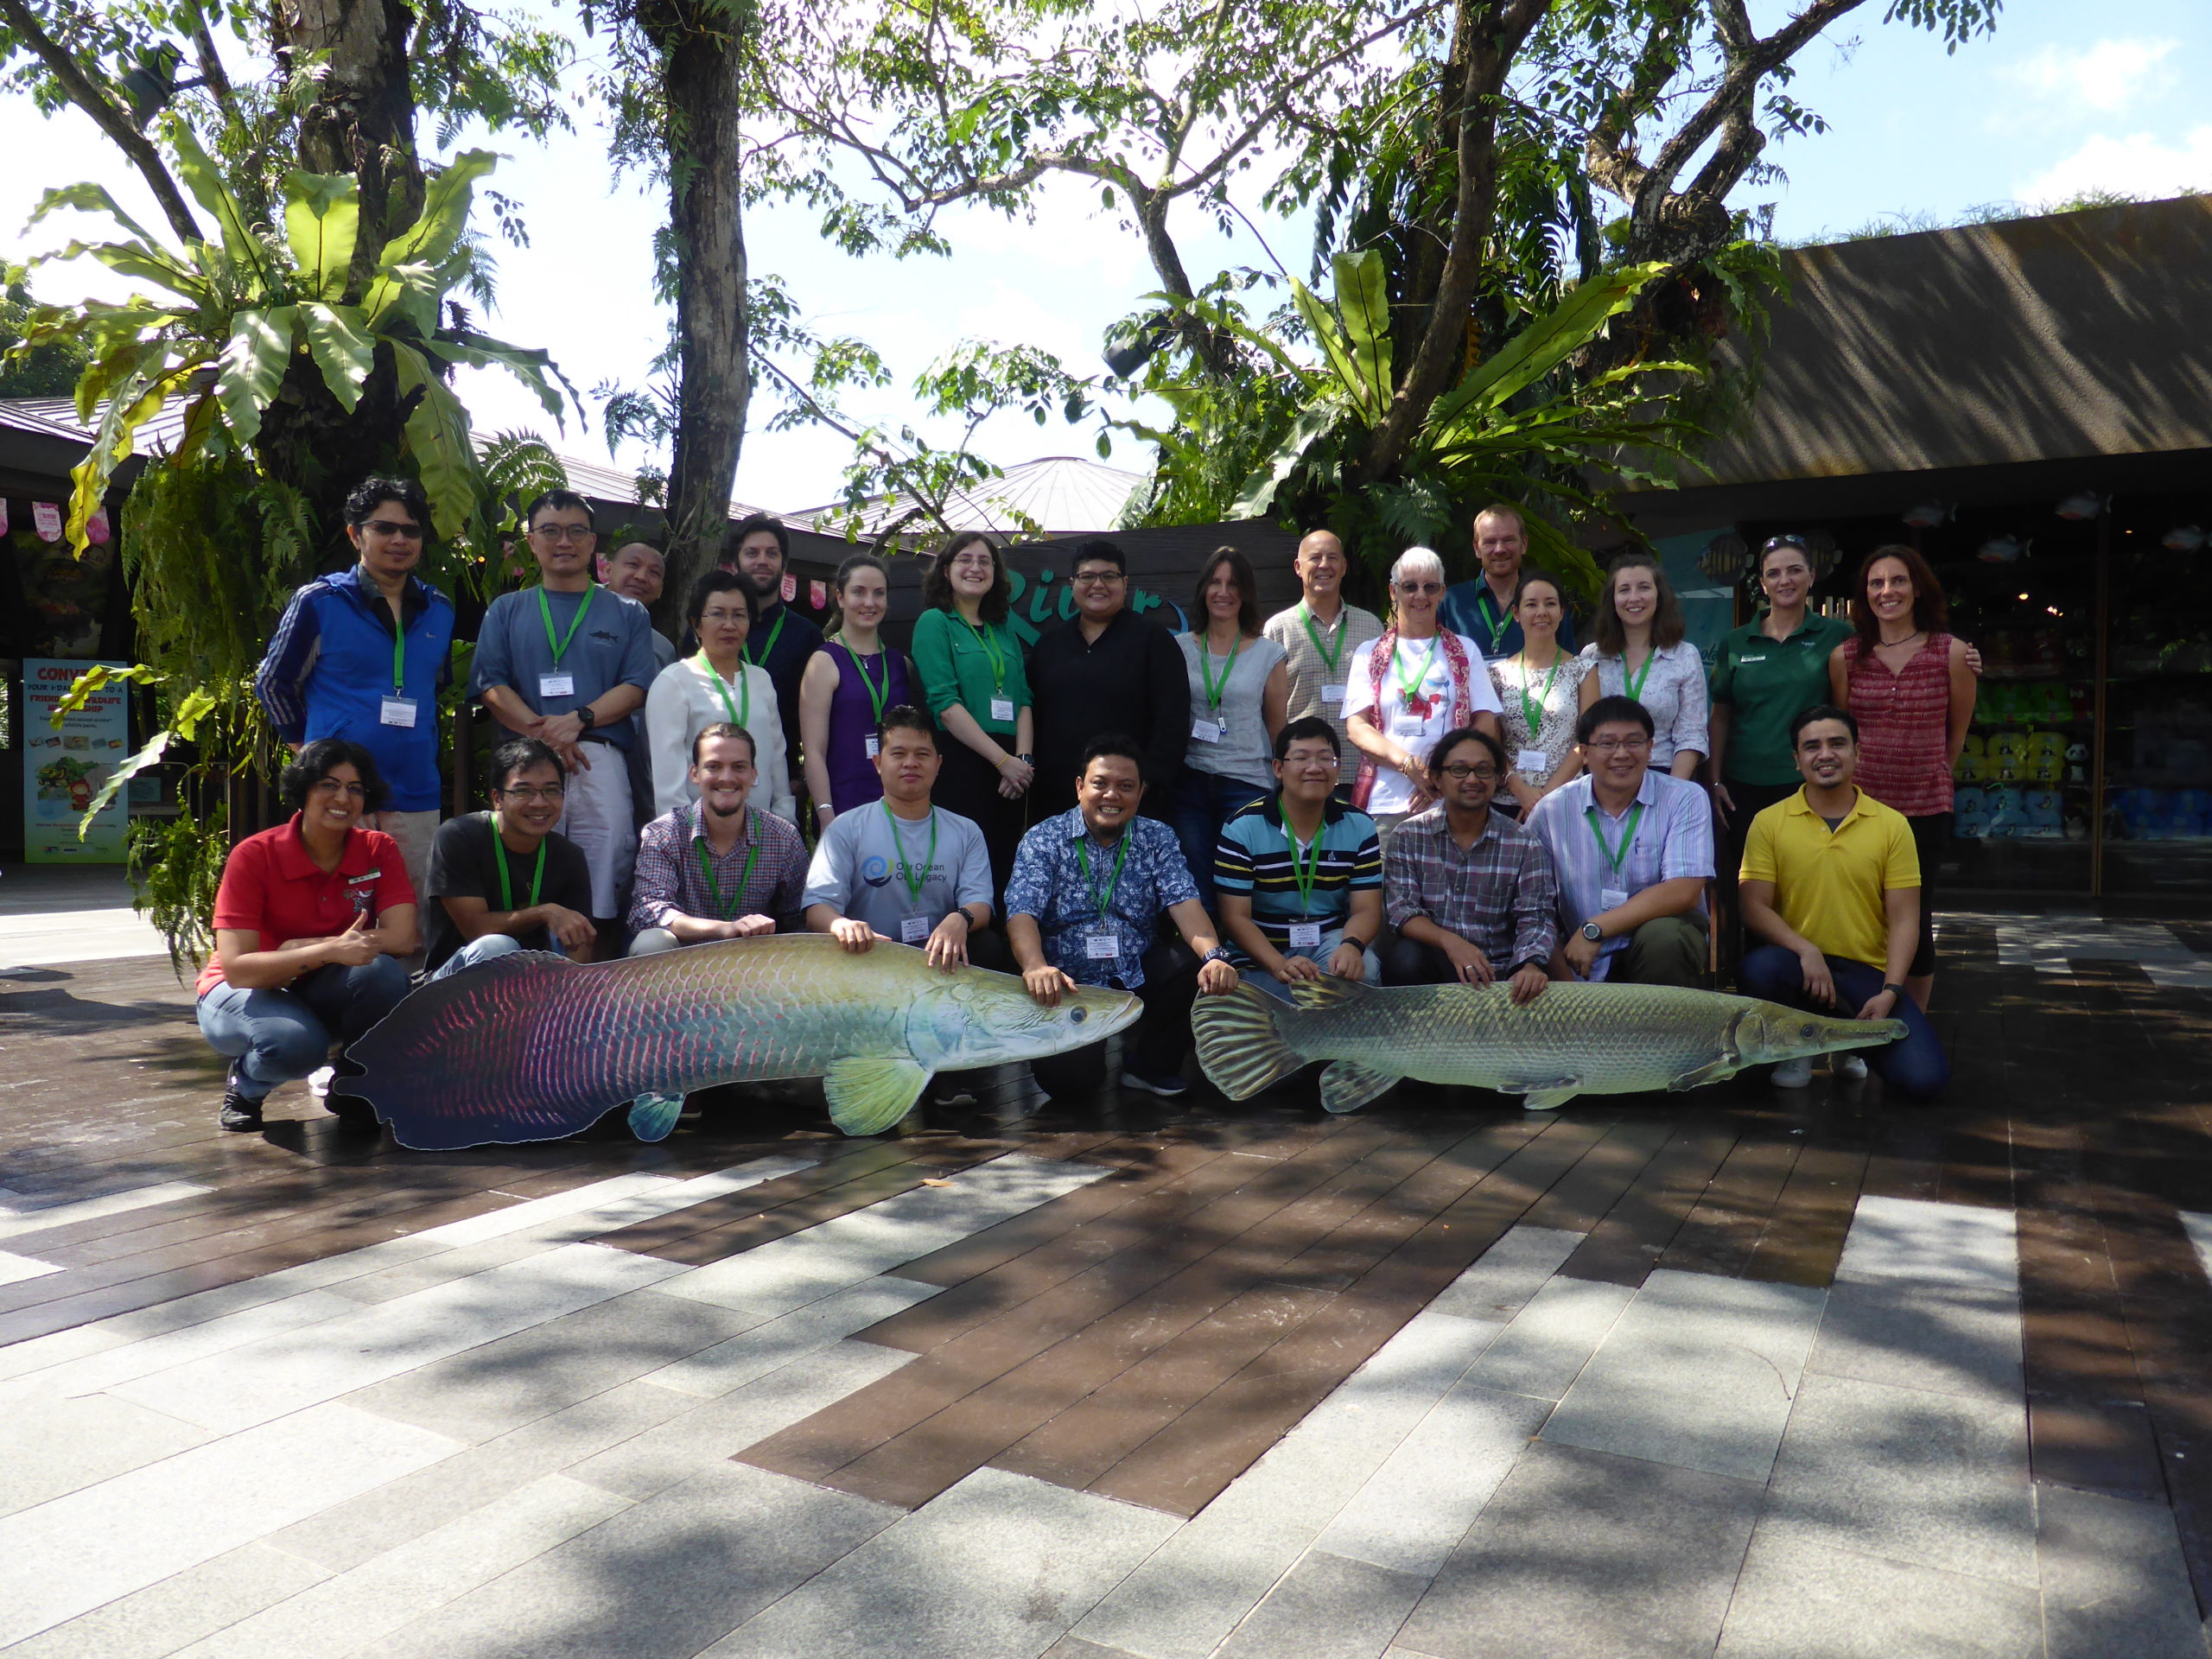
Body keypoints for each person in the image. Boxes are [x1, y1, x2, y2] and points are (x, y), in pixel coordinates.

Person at [195, 740, 417, 1133]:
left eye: (355, 788)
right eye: (328, 784)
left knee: (381, 973)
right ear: (303, 790)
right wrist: (329, 948)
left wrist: (310, 950)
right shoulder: (254, 855)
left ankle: (353, 1082)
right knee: (297, 1046)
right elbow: (238, 969)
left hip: (318, 981)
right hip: (244, 989)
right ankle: (246, 1085)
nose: (342, 798)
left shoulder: (377, 848)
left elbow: (401, 938)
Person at [256, 476, 455, 905]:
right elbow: (272, 683)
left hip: (416, 793)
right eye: (384, 528)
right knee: (339, 911)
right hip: (343, 795)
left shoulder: (439, 609)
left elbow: (434, 688)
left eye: (411, 530)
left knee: (414, 916)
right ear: (355, 534)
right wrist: (309, 756)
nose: (399, 539)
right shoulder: (320, 601)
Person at [1004, 736, 1240, 1097]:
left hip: (1136, 972)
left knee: (1199, 967)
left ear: (1141, 792)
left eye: (1125, 787)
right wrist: (1035, 966)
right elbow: (1022, 913)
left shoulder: (1157, 837)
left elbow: (1185, 903)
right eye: (1100, 784)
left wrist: (1213, 955)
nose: (1112, 795)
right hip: (1069, 985)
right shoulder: (1043, 839)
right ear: (1080, 787)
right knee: (1072, 1085)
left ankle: (1148, 1065)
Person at [1738, 706, 1949, 1100]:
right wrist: (1806, 949)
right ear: (1796, 759)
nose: (1826, 754)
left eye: (1838, 743)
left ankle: (1847, 1043)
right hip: (1797, 965)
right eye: (1812, 746)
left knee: (1925, 1082)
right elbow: (1753, 907)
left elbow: (1906, 920)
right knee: (1758, 967)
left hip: (1866, 975)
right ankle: (1796, 1046)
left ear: (1858, 753)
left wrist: (1891, 991)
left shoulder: (1891, 825)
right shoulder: (1769, 821)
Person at [471, 490, 656, 931]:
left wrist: (578, 721)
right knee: (525, 868)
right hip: (526, 762)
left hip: (599, 758)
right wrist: (545, 741)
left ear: (594, 545)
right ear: (531, 542)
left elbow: (635, 686)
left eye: (576, 532)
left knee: (603, 877)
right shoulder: (507, 609)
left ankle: (596, 980)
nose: (564, 542)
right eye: (550, 531)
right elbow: (491, 685)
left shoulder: (628, 612)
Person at [1827, 543, 1976, 1012]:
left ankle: (1910, 1024)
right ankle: (1856, 1012)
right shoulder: (1847, 656)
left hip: (1923, 807)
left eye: (1897, 581)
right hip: (1860, 807)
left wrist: (1928, 772)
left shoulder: (1951, 653)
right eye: (1876, 583)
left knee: (1913, 914)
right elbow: (1840, 730)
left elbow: (1956, 735)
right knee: (1857, 913)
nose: (1887, 591)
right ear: (1864, 594)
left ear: (1917, 588)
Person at [1525, 696, 1713, 987]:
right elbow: (1534, 904)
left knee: (1664, 939)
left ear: (1651, 748)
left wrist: (1596, 928)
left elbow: (1684, 891)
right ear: (1584, 753)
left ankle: (1660, 1031)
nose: (1622, 753)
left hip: (1656, 946)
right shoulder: (1551, 811)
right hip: (1581, 960)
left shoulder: (1685, 798)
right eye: (1607, 743)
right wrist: (1567, 989)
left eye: (1634, 742)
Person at [804, 707, 1004, 970]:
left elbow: (980, 903)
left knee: (989, 945)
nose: (911, 763)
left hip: (939, 959)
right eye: (898, 754)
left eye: (922, 754)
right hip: (871, 956)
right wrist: (841, 925)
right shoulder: (846, 828)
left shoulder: (966, 831)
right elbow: (817, 906)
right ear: (878, 763)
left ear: (938, 764)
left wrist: (960, 918)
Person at [1382, 727, 1557, 1002]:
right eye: (1459, 770)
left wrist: (1529, 965)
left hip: (1499, 973)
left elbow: (1536, 916)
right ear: (1438, 778)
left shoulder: (1523, 842)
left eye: (1484, 770)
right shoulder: (1409, 836)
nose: (1472, 779)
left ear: (1498, 778)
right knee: (1404, 957)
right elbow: (1401, 911)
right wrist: (1451, 943)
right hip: (1437, 963)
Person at [1344, 545, 1503, 846]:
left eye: (1430, 587)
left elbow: (1485, 723)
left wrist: (1442, 777)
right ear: (1393, 591)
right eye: (1410, 587)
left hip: (1452, 802)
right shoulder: (1369, 654)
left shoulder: (1465, 650)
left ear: (1442, 592)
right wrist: (1410, 766)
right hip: (1387, 803)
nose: (1420, 596)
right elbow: (1357, 727)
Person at [1213, 717, 1382, 1002]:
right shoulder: (1242, 827)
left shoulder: (1360, 825)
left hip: (1327, 944)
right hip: (1262, 953)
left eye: (1325, 758)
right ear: (1278, 768)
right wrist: (1278, 964)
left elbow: (1366, 909)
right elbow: (1234, 917)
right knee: (1259, 1005)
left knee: (1363, 969)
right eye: (1301, 758)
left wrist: (1352, 946)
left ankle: (1342, 1042)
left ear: (1337, 767)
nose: (1314, 768)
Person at [1027, 537, 1190, 819]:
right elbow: (1032, 714)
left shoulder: (1154, 641)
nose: (1098, 585)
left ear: (1125, 584)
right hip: (1056, 803)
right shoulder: (1049, 645)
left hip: (1131, 803)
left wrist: (1147, 783)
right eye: (1087, 576)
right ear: (1072, 584)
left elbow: (1172, 720)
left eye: (1109, 576)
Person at [912, 531, 1034, 898]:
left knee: (1006, 868)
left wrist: (1023, 763)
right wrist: (1002, 761)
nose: (975, 568)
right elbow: (945, 706)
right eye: (965, 559)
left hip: (1012, 775)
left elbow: (1024, 698)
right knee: (965, 875)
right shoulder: (935, 623)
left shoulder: (1003, 629)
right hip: (965, 762)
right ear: (946, 569)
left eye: (985, 561)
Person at [421, 736, 597, 977]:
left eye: (551, 790)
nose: (539, 802)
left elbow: (580, 945)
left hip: (533, 984)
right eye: (523, 791)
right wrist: (543, 912)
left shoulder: (569, 855)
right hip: (452, 987)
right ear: (497, 799)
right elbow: (476, 929)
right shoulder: (460, 836)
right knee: (497, 948)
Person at [1173, 547, 1289, 907]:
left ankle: (1243, 959)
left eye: (1233, 584)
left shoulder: (1269, 654)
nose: (1223, 592)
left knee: (1241, 886)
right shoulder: (1178, 648)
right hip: (1190, 781)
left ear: (1247, 593)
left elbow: (1277, 727)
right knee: (1196, 883)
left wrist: (1285, 785)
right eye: (1216, 582)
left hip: (1246, 783)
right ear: (1203, 589)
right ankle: (1207, 960)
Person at [628, 723, 810, 954]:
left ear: (753, 775)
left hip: (757, 965)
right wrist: (724, 929)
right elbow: (649, 912)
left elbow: (800, 919)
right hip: (683, 967)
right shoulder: (664, 833)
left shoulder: (782, 836)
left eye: (738, 767)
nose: (726, 777)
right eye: (714, 767)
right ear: (695, 773)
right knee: (651, 942)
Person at [645, 569, 795, 822]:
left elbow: (777, 755)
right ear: (696, 623)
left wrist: (784, 814)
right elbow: (667, 776)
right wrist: (685, 834)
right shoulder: (675, 681)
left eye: (739, 615)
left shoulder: (761, 679)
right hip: (699, 831)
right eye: (717, 614)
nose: (729, 625)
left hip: (762, 829)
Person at [799, 552, 917, 831]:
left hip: (898, 808)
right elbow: (813, 751)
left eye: (879, 593)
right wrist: (826, 814)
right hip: (844, 806)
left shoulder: (902, 664)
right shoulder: (824, 662)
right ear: (840, 598)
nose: (869, 602)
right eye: (858, 592)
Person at [1262, 529, 1385, 774]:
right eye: (1315, 558)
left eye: (1332, 558)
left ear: (1344, 566)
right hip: (1303, 773)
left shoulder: (1371, 627)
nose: (1324, 565)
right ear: (1298, 567)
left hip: (1359, 771)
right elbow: (1268, 710)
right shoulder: (1278, 629)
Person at [1579, 551, 1708, 779]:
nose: (1634, 598)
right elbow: (1584, 731)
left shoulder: (1684, 655)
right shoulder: (1591, 656)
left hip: (1664, 774)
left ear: (1659, 595)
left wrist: (1672, 794)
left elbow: (1692, 735)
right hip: (1606, 776)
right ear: (1613, 599)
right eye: (1624, 590)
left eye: (1644, 588)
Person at [724, 513, 822, 810]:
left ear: (784, 564)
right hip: (716, 778)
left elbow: (820, 717)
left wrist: (802, 781)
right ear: (735, 563)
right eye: (752, 553)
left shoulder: (808, 636)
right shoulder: (710, 630)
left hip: (783, 785)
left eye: (772, 553)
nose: (762, 561)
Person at [1489, 569, 1589, 817]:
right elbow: (1491, 744)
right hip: (1509, 801)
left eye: (1550, 604)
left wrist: (1543, 798)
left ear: (1561, 612)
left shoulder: (1584, 669)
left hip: (1566, 799)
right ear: (1516, 614)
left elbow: (1587, 740)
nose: (1541, 612)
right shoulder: (1496, 674)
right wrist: (1520, 789)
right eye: (1531, 604)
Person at [1439, 503, 1578, 660]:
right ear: (1477, 548)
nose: (1499, 549)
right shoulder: (1451, 602)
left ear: (1524, 544)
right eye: (1490, 542)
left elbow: (1569, 664)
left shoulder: (1548, 600)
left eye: (1508, 540)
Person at [600, 541, 677, 670]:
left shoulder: (662, 648)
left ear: (661, 590)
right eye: (633, 565)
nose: (641, 577)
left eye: (654, 572)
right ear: (608, 570)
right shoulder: (574, 622)